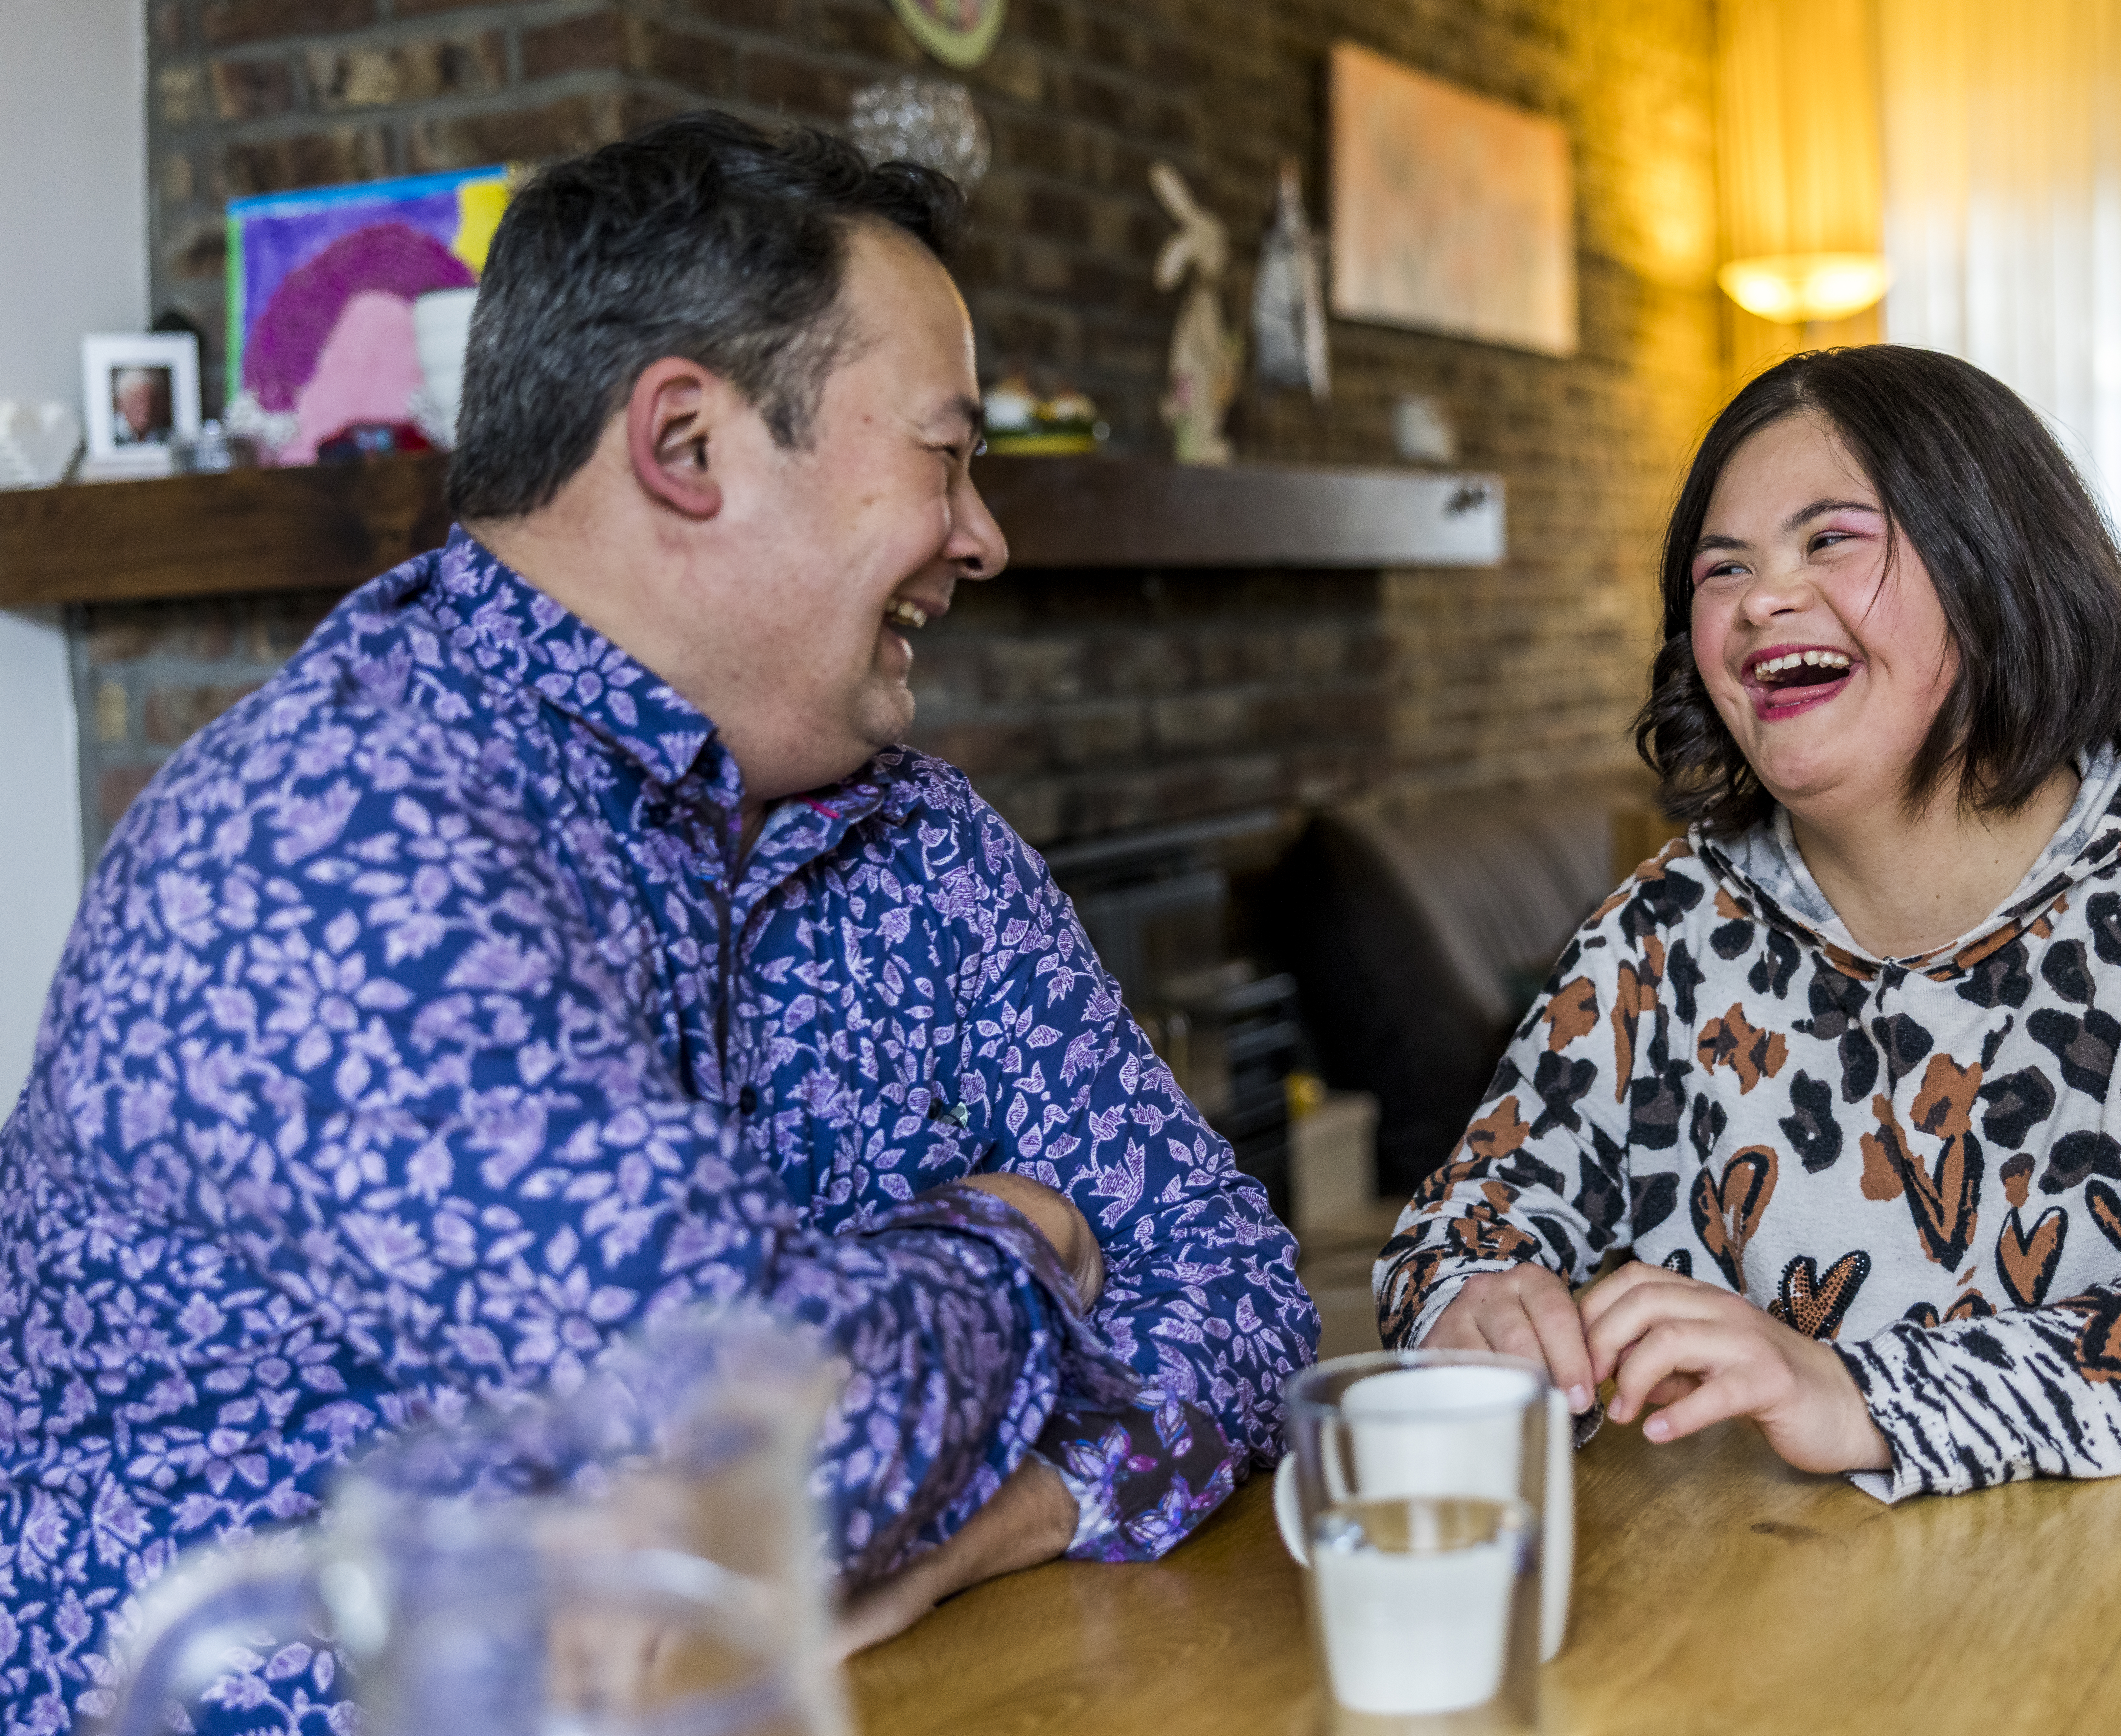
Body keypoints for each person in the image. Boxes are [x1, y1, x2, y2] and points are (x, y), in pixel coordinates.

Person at [0, 113, 1317, 1730]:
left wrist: (993, 1521)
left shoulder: (913, 839)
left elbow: (1242, 1288)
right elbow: (761, 1469)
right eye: (944, 454)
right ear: (687, 444)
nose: (983, 536)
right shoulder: (333, 838)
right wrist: (1022, 1232)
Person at [1376, 345, 2121, 1499]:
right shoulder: (1657, 941)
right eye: (1724, 569)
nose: (1763, 599)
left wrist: (1852, 1394)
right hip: (1791, 1593)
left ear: (1994, 567)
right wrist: (1475, 1302)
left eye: (1830, 541)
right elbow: (1458, 1231)